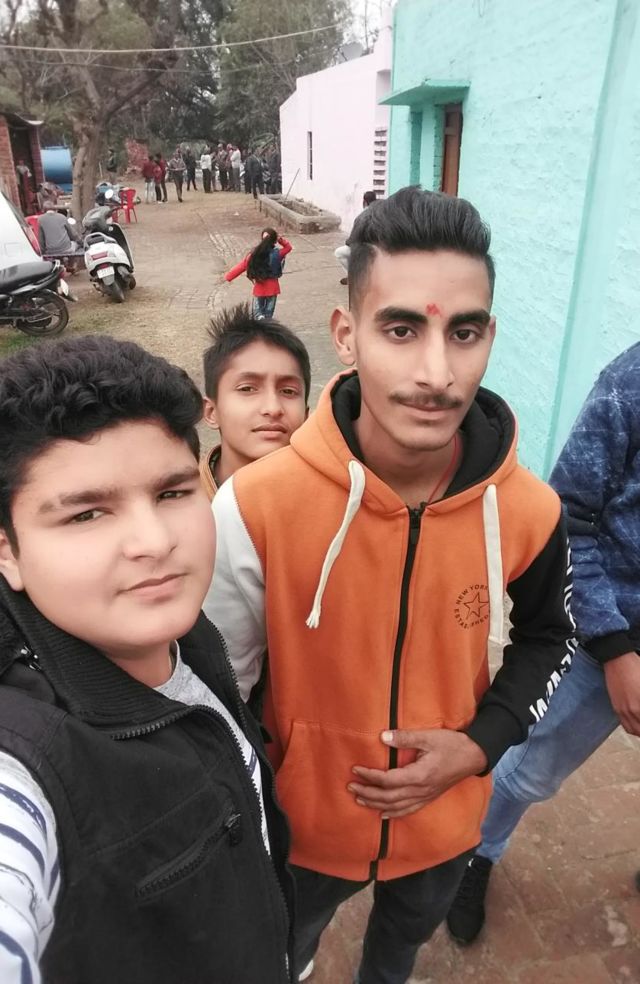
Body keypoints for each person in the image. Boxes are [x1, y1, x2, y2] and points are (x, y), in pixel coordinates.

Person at [204, 186, 576, 984]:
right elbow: (215, 688)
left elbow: (552, 635)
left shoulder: (531, 511)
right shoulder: (257, 506)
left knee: (400, 949)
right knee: (287, 951)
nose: (437, 374)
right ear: (346, 334)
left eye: (463, 333)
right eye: (401, 329)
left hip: (447, 823)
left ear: (489, 337)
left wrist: (480, 745)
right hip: (301, 834)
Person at [0, 334, 294, 984]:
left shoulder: (188, 632)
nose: (155, 542)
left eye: (172, 494)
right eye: (86, 515)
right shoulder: (25, 764)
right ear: (8, 552)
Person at [446, 341, 640, 946]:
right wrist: (615, 648)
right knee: (527, 771)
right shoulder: (630, 383)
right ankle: (477, 852)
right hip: (609, 639)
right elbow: (570, 518)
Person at [200, 302, 310, 499]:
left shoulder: (337, 504)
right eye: (247, 389)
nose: (273, 408)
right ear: (211, 412)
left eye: (288, 391)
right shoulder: (183, 506)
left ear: (307, 415)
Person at [224, 227, 292, 320]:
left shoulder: (255, 255)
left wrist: (228, 277)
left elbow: (242, 266)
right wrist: (280, 239)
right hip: (273, 288)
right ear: (274, 240)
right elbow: (288, 247)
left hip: (259, 287)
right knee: (268, 315)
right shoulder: (278, 254)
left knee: (257, 315)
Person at [336, 191, 378, 286]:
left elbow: (354, 238)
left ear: (364, 202)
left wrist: (348, 242)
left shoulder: (364, 215)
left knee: (339, 252)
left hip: (369, 247)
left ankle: (354, 277)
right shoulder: (383, 210)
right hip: (384, 246)